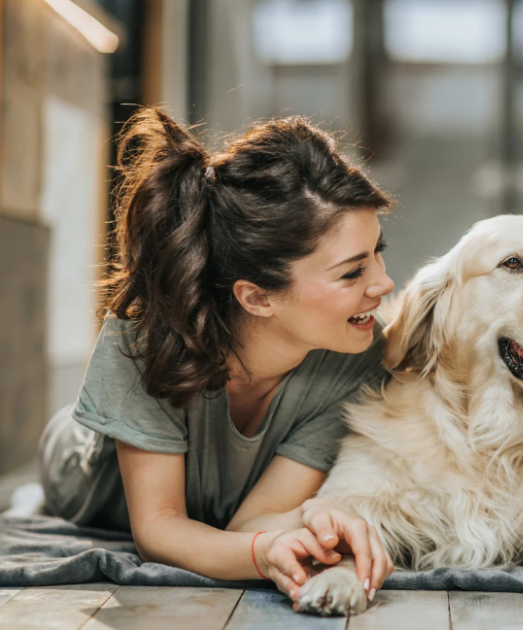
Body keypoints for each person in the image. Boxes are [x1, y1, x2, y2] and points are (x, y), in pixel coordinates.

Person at [39, 109, 395, 604]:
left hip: (222, 500)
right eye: (352, 273)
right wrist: (263, 551)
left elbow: (250, 525)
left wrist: (310, 518)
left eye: (379, 252)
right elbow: (159, 530)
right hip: (84, 473)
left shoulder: (356, 358)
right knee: (62, 449)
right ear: (258, 297)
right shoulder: (140, 342)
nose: (384, 283)